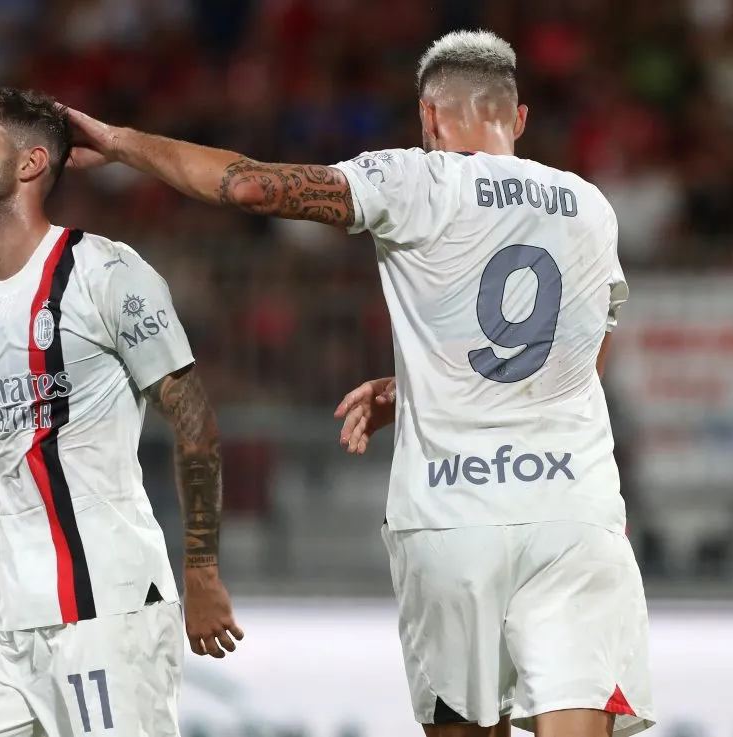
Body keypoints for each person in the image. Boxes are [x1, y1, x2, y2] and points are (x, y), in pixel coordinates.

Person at [63, 28, 653, 737]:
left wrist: (124, 142)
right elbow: (581, 355)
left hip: (450, 513)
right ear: (518, 118)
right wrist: (418, 387)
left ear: (429, 118)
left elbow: (247, 183)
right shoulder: (590, 206)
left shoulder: (412, 177)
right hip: (572, 509)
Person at [0, 85, 243, 737]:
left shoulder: (107, 273)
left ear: (32, 163)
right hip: (3, 618)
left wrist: (200, 567)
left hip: (109, 608)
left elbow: (194, 419)